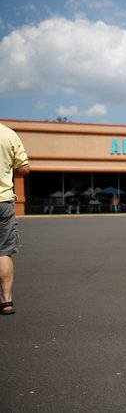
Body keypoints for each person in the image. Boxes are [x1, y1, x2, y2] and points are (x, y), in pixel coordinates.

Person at [0, 122, 30, 315]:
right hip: (3, 201)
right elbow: (24, 169)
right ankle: (6, 301)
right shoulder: (8, 134)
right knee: (3, 251)